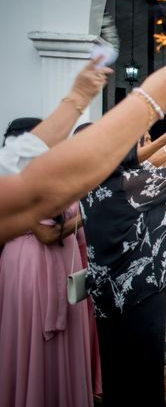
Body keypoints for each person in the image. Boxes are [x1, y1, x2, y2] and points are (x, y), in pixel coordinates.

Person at [0, 59, 166, 242]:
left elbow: (24, 156)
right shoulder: (123, 180)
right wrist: (149, 102)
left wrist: (77, 98)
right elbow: (26, 185)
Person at [79, 132, 166, 406]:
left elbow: (126, 160)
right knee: (143, 370)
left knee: (117, 368)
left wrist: (160, 141)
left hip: (108, 288)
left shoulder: (90, 177)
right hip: (139, 290)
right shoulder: (128, 185)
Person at [0, 118, 94, 407]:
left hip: (63, 262)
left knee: (63, 341)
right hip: (31, 265)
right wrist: (87, 214)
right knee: (33, 340)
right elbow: (46, 233)